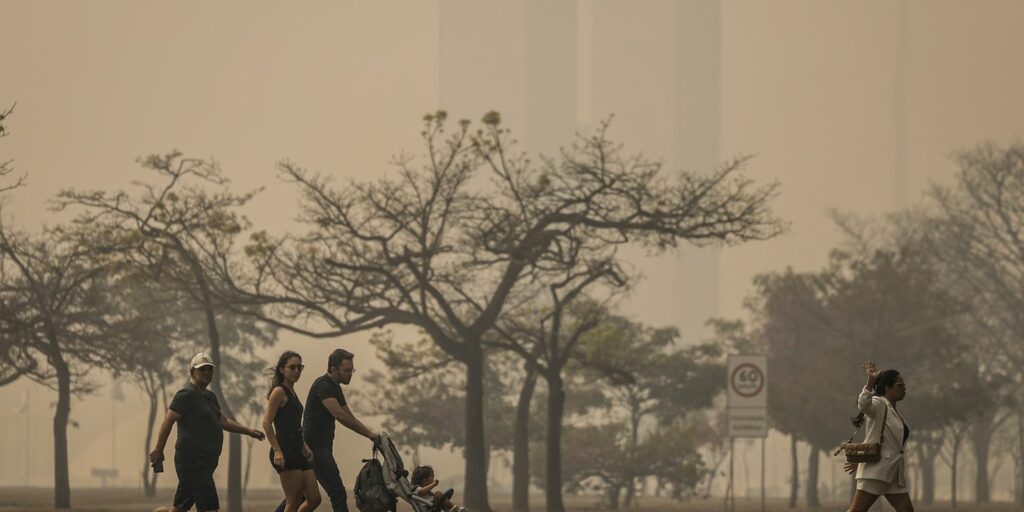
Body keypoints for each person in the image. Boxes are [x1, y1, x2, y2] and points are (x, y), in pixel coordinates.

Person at [149, 352, 266, 512]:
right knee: (210, 508)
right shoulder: (185, 395)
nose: (206, 373)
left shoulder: (210, 397)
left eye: (209, 370)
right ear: (192, 372)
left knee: (180, 508)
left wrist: (248, 431)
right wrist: (158, 448)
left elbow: (223, 421)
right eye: (202, 369)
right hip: (193, 461)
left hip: (207, 461)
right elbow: (168, 421)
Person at [275, 348, 379, 512]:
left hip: (318, 448)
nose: (350, 374)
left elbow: (349, 415)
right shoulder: (323, 385)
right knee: (337, 492)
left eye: (351, 370)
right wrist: (369, 435)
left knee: (297, 497)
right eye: (346, 370)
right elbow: (339, 415)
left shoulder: (335, 387)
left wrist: (371, 434)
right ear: (333, 369)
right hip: (315, 448)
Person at [845, 360, 913, 512]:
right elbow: (863, 404)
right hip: (877, 471)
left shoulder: (893, 410)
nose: (904, 388)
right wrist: (870, 382)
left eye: (904, 385)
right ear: (887, 388)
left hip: (894, 473)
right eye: (899, 385)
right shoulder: (879, 403)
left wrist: (862, 462)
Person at [265, 351, 321, 512]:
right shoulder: (279, 391)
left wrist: (304, 446)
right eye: (292, 367)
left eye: (299, 367)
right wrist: (277, 451)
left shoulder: (292, 392)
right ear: (282, 369)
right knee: (293, 500)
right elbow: (266, 423)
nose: (296, 371)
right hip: (285, 450)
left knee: (314, 498)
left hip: (298, 450)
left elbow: (295, 425)